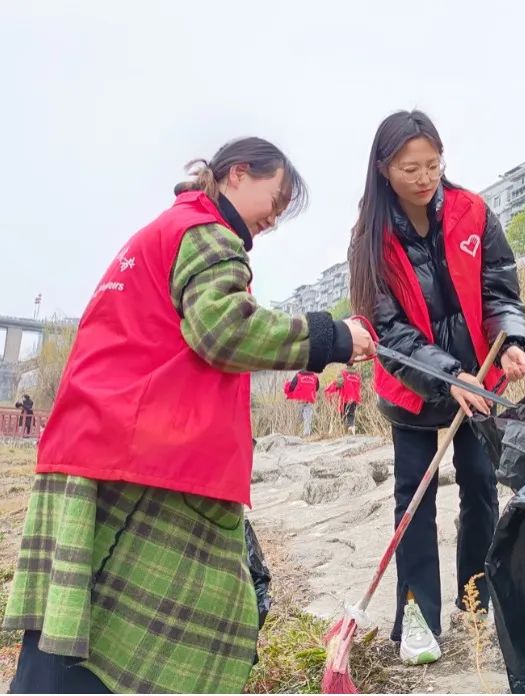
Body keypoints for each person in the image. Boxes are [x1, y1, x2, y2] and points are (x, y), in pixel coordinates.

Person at [2, 137, 375, 694]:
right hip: (141, 465)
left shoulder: (160, 232)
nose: (275, 217)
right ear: (237, 174)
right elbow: (225, 329)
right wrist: (333, 336)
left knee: (73, 626)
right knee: (195, 618)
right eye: (276, 198)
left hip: (94, 449)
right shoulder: (207, 235)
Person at [348, 110, 525, 666]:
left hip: (481, 382)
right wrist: (447, 376)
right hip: (413, 390)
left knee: (481, 485)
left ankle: (475, 594)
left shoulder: (472, 212)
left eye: (433, 165)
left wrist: (515, 339)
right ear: (384, 170)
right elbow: (390, 332)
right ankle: (418, 615)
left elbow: (501, 289)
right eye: (411, 168)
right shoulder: (369, 240)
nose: (425, 177)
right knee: (416, 498)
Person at [283, 370, 320, 436]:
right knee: (308, 418)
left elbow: (291, 387)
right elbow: (317, 388)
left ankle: (293, 434)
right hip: (309, 399)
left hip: (299, 400)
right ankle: (306, 433)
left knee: (297, 418)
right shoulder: (315, 377)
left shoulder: (298, 375)